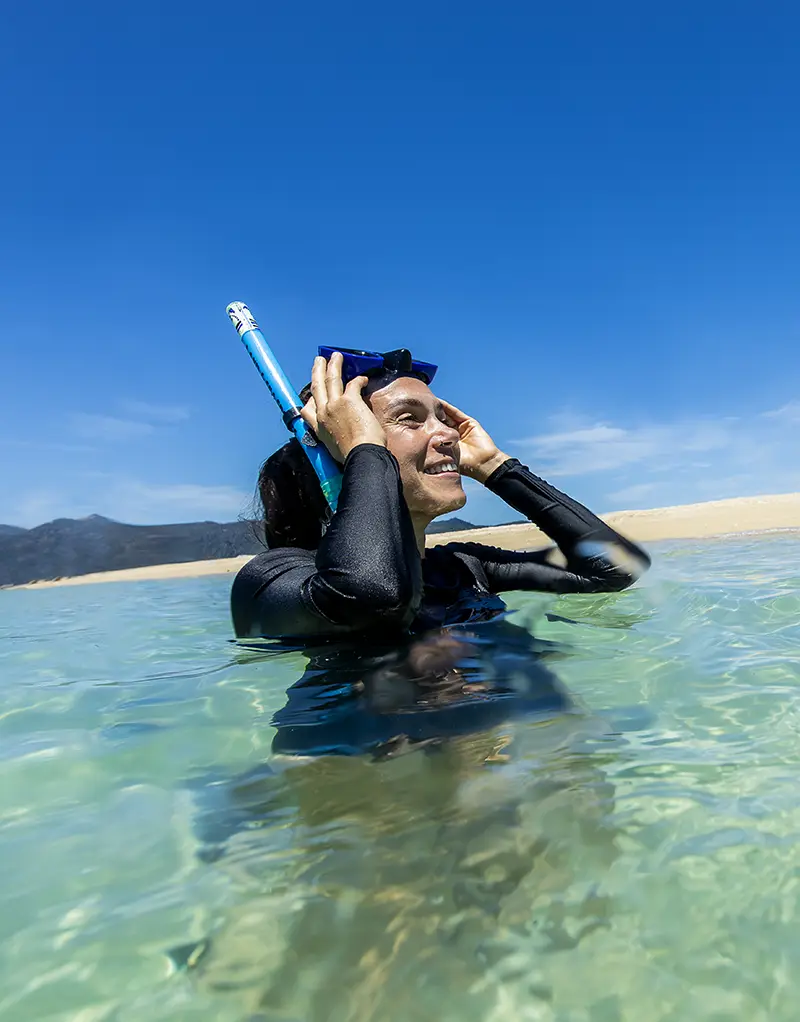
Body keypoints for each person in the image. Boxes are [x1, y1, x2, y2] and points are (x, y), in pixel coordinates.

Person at [231, 348, 651, 641]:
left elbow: (616, 569)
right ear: (343, 447)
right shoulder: (273, 580)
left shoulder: (464, 569)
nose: (449, 433)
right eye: (409, 420)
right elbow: (373, 596)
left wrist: (497, 469)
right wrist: (365, 448)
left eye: (442, 418)